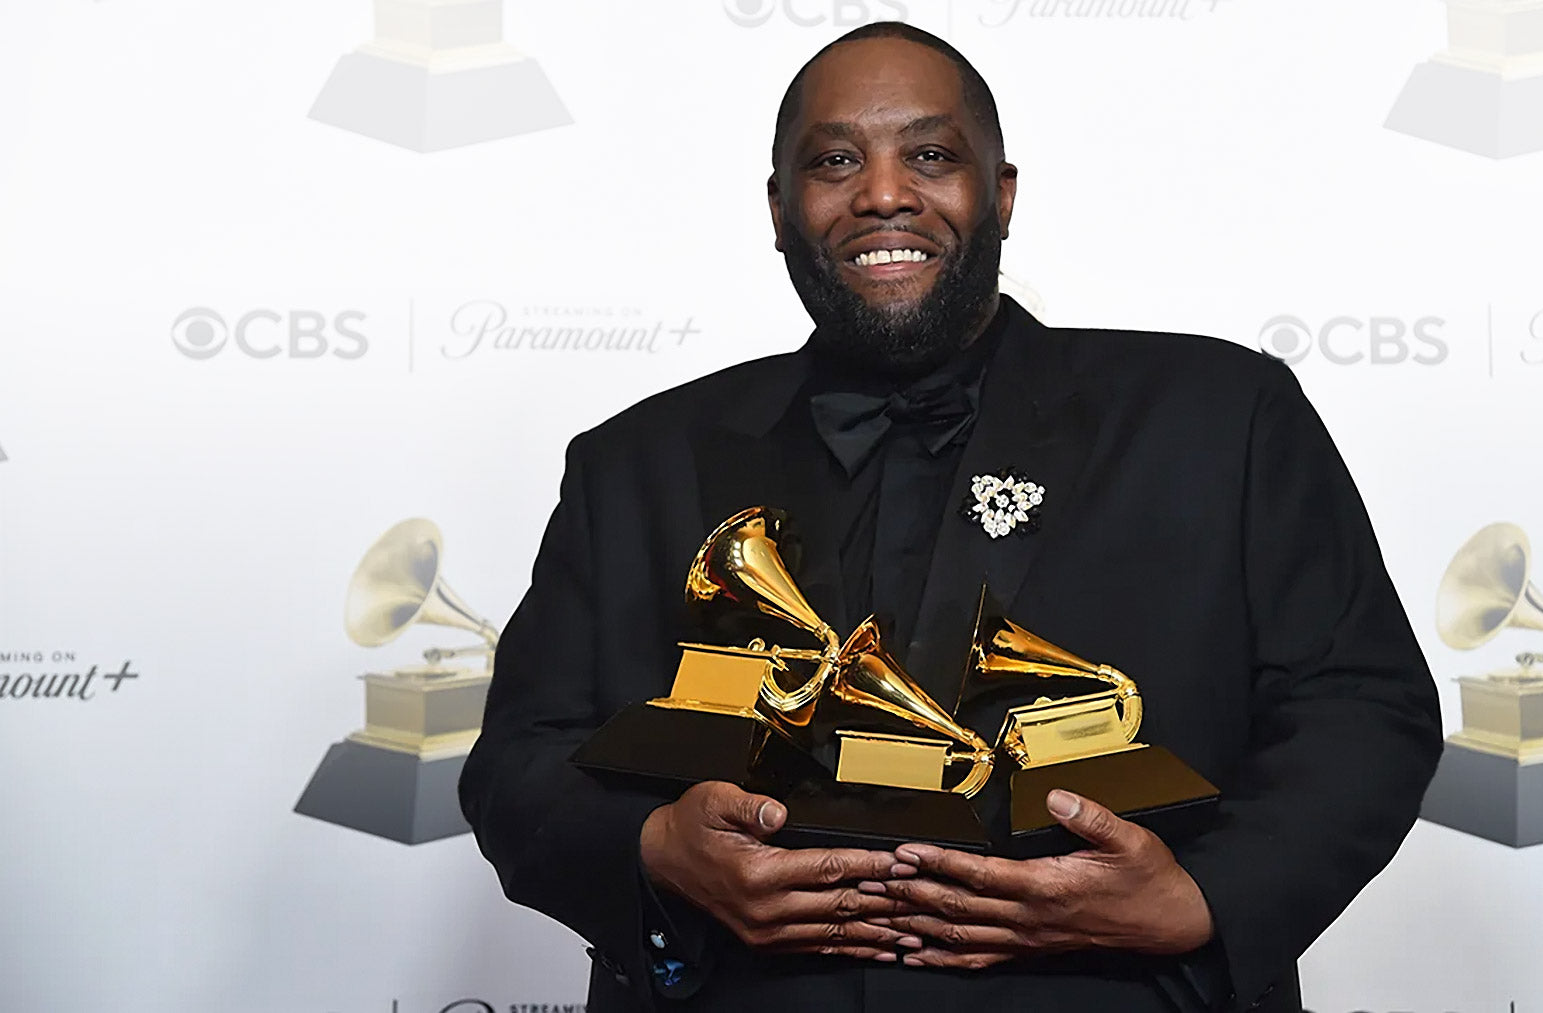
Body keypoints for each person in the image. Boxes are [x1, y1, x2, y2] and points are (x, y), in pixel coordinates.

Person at [460, 22, 1442, 1013]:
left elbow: (1362, 706)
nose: (884, 193)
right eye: (835, 161)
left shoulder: (1221, 416)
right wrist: (653, 848)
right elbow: (517, 765)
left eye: (931, 155)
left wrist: (1203, 898)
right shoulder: (634, 463)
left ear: (1001, 194)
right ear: (778, 209)